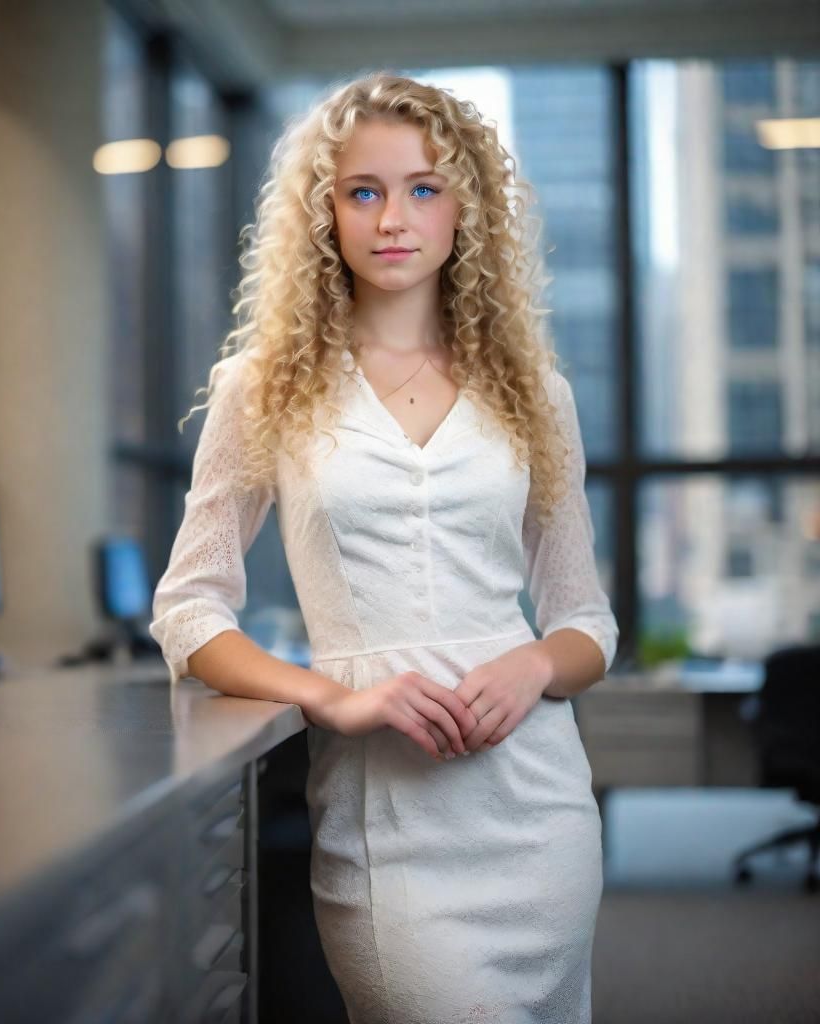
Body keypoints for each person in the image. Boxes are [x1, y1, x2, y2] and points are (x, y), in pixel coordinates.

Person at [150, 71, 619, 1024]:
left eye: (423, 188)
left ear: (466, 211)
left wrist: (532, 665)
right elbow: (189, 608)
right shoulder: (262, 388)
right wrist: (333, 695)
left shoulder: (539, 394)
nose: (392, 217)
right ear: (327, 212)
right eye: (363, 190)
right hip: (386, 818)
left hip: (538, 809)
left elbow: (586, 621)